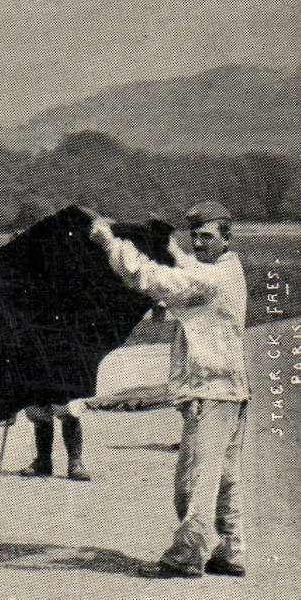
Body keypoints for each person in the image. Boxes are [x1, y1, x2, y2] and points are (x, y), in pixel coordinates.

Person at [89, 202, 250, 579]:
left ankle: (187, 554)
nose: (198, 242)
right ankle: (231, 551)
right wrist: (169, 245)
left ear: (227, 238)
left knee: (194, 479)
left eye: (206, 236)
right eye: (193, 235)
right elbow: (187, 267)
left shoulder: (213, 280)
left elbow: (150, 278)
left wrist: (111, 243)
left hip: (211, 392)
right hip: (228, 390)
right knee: (224, 477)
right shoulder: (227, 269)